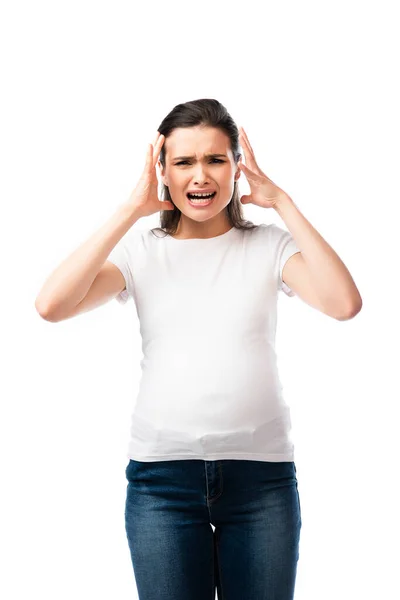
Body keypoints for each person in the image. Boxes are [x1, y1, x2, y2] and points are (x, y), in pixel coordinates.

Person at [35, 98, 362, 600]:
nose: (200, 176)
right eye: (183, 161)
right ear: (161, 170)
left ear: (236, 166)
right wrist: (130, 210)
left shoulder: (269, 245)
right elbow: (52, 305)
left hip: (262, 481)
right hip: (162, 484)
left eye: (214, 159)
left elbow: (344, 304)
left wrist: (284, 203)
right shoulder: (141, 249)